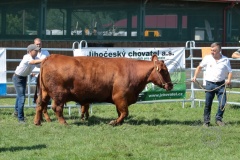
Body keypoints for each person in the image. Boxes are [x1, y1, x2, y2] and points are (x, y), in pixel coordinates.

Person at [192, 42, 232, 127]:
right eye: (211, 50)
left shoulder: (225, 60)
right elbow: (199, 67)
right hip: (210, 84)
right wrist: (195, 77)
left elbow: (230, 72)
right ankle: (206, 121)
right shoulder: (207, 58)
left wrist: (228, 80)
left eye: (214, 50)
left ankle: (218, 119)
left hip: (221, 84)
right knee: (208, 103)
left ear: (219, 51)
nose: (212, 52)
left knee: (223, 103)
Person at [12, 44, 44, 123]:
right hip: (18, 78)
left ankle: (16, 112)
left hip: (22, 77)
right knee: (22, 97)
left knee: (20, 96)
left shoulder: (36, 58)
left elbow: (40, 65)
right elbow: (33, 62)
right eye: (35, 50)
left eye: (37, 50)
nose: (37, 52)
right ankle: (20, 119)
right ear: (30, 51)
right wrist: (45, 59)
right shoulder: (27, 57)